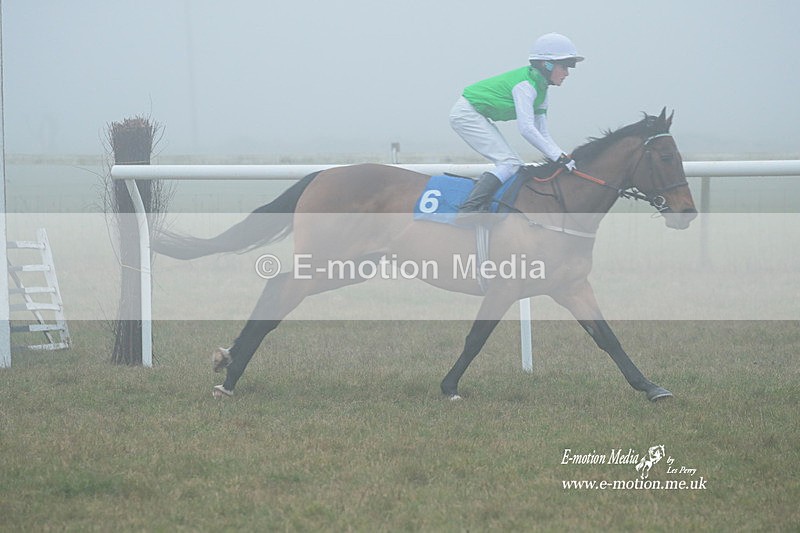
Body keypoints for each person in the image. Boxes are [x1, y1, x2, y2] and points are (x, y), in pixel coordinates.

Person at [449, 32, 584, 216]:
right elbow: (526, 129)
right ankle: (468, 210)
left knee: (514, 165)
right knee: (510, 164)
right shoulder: (525, 86)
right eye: (565, 66)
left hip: (477, 114)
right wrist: (558, 158)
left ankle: (486, 206)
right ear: (547, 64)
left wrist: (562, 157)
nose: (567, 73)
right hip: (466, 113)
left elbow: (542, 132)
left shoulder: (541, 90)